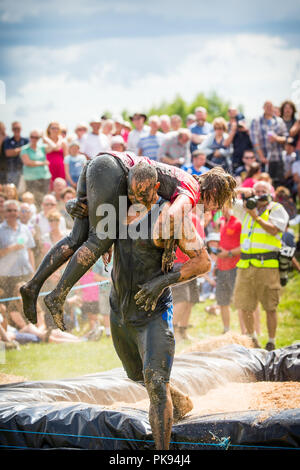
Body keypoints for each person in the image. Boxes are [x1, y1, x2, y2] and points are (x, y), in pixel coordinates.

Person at [21, 152, 236, 328]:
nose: (213, 210)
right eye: (218, 204)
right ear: (214, 192)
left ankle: (32, 286)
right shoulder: (192, 189)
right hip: (115, 169)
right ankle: (58, 295)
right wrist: (170, 248)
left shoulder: (183, 179)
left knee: (77, 238)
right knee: (99, 241)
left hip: (97, 164)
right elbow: (171, 216)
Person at [109, 162, 211, 450]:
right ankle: (176, 397)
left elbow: (203, 261)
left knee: (154, 384)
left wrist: (160, 283)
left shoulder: (171, 217)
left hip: (154, 313)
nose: (136, 198)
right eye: (132, 192)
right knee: (136, 375)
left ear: (156, 187)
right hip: (120, 311)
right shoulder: (115, 211)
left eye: (142, 193)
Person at [233, 181, 289, 350]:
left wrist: (255, 216)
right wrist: (243, 190)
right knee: (245, 305)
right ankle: (252, 339)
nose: (259, 193)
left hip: (267, 265)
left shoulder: (276, 209)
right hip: (246, 264)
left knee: (270, 306)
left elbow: (275, 230)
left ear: (270, 192)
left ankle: (271, 341)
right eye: (256, 191)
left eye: (262, 190)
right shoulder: (246, 208)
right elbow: (227, 198)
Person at [0, 200, 35, 319]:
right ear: (4, 212)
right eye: (9, 210)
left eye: (15, 210)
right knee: (10, 306)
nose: (12, 213)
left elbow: (30, 251)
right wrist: (12, 248)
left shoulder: (25, 229)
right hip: (7, 276)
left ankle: (32, 328)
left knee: (28, 302)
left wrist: (33, 271)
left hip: (25, 273)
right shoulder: (0, 230)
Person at [215, 204, 242, 333]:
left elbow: (244, 246)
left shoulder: (238, 223)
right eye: (222, 206)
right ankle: (226, 329)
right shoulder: (219, 221)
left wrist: (229, 253)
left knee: (239, 302)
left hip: (235, 266)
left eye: (225, 205)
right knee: (222, 300)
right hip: (221, 267)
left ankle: (245, 331)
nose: (222, 208)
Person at [250, 101, 288, 186]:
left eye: (271, 106)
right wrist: (262, 157)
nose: (269, 108)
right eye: (267, 106)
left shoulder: (279, 121)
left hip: (278, 159)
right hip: (263, 161)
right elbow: (254, 140)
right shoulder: (256, 120)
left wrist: (276, 138)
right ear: (263, 108)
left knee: (278, 184)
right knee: (263, 184)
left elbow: (286, 137)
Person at [20, 130, 51, 207]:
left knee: (44, 199)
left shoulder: (42, 147)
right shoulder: (25, 149)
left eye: (36, 137)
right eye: (32, 137)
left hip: (44, 177)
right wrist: (43, 163)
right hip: (31, 179)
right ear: (29, 137)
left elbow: (54, 146)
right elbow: (28, 162)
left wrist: (44, 137)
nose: (34, 139)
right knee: (32, 199)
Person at [225, 108, 253, 172]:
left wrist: (247, 131)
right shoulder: (231, 127)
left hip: (249, 158)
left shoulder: (249, 128)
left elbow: (255, 143)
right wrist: (233, 130)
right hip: (236, 159)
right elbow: (226, 144)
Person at [2, 121, 29, 188]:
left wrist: (15, 151)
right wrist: (22, 149)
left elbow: (29, 151)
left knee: (23, 190)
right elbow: (8, 153)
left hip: (24, 170)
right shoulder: (7, 140)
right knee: (11, 189)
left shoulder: (26, 140)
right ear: (12, 129)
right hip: (11, 170)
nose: (17, 130)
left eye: (18, 128)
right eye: (15, 128)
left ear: (21, 129)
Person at [43, 122, 68, 189]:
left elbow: (66, 158)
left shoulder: (63, 142)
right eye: (53, 128)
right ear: (48, 129)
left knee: (61, 188)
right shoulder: (44, 141)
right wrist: (47, 139)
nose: (55, 130)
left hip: (61, 168)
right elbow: (55, 148)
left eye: (57, 128)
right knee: (49, 188)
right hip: (48, 169)